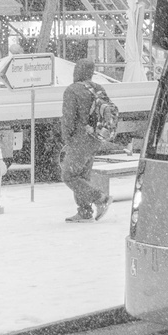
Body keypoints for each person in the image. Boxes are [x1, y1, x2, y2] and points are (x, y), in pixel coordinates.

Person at [59, 59, 111, 223]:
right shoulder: (98, 88)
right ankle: (85, 212)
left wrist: (66, 137)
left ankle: (100, 198)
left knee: (69, 176)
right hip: (95, 137)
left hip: (80, 139)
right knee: (82, 176)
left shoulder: (73, 90)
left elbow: (68, 118)